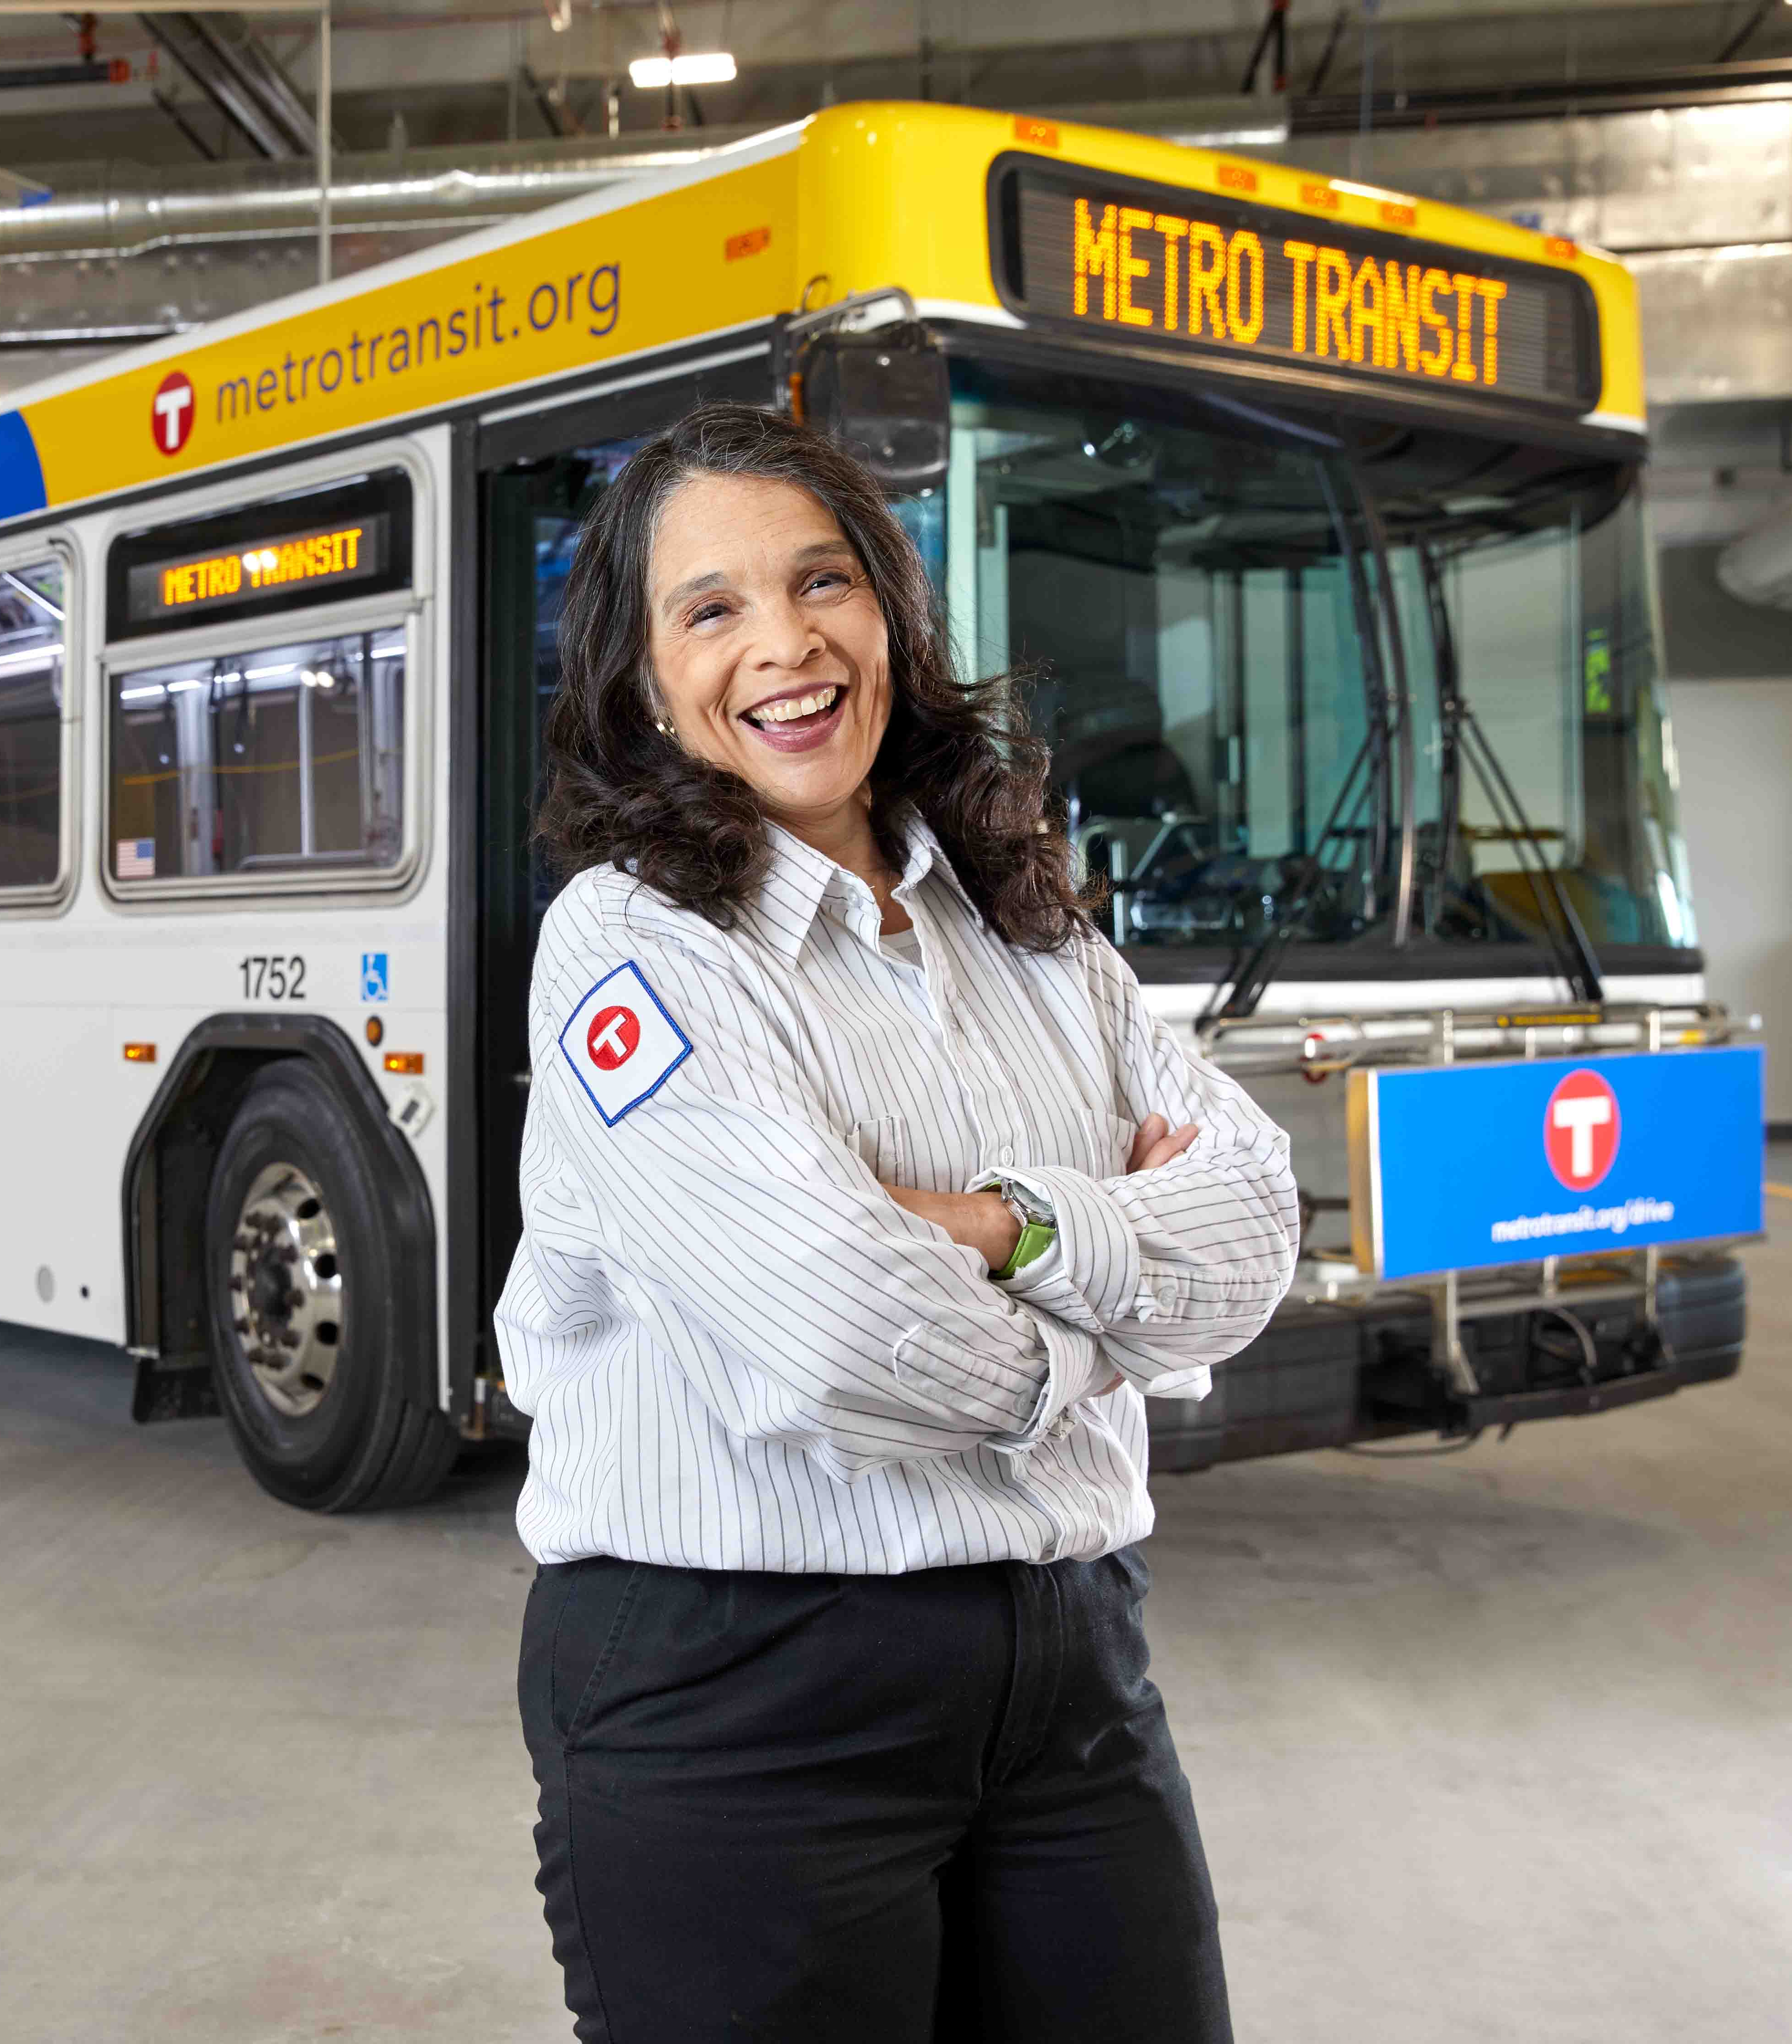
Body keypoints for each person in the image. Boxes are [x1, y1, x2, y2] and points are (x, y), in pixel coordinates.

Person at [502, 403, 1300, 2043]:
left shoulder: (1025, 913)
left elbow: (1255, 1228)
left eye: (824, 583)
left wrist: (997, 1228)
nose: (785, 645)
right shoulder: (634, 948)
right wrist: (1116, 1311)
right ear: (647, 681)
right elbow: (841, 1335)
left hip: (1071, 1668)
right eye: (710, 609)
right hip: (741, 1693)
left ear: (894, 613)